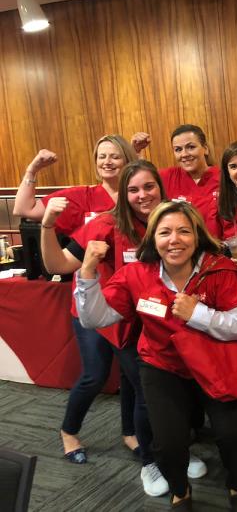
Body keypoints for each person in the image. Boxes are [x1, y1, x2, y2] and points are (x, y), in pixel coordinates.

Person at [74, 200, 237, 511]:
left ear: (197, 236)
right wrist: (88, 270)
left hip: (216, 364)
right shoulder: (136, 275)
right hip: (162, 366)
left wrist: (197, 313)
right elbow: (95, 319)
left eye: (184, 231)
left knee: (233, 434)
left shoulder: (220, 270)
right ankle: (180, 491)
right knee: (169, 443)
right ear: (153, 239)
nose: (174, 240)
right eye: (165, 232)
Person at [40, 160, 174, 496]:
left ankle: (135, 436)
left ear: (161, 187)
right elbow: (56, 265)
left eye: (149, 186)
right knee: (116, 380)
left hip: (154, 320)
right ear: (124, 195)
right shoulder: (106, 224)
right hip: (108, 317)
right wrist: (47, 226)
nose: (143, 195)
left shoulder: (171, 219)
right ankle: (146, 459)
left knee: (142, 385)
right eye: (133, 189)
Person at [12, 135, 142, 458]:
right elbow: (22, 208)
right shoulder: (83, 198)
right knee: (95, 373)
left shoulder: (136, 198)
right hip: (91, 302)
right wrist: (32, 169)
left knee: (133, 374)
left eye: (115, 156)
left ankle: (131, 432)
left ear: (127, 160)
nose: (107, 162)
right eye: (102, 156)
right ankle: (69, 430)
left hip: (130, 303)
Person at [132, 125, 220, 222]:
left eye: (191, 147)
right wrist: (135, 152)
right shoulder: (167, 177)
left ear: (205, 149)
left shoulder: (223, 177)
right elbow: (140, 177)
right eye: (178, 149)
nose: (184, 154)